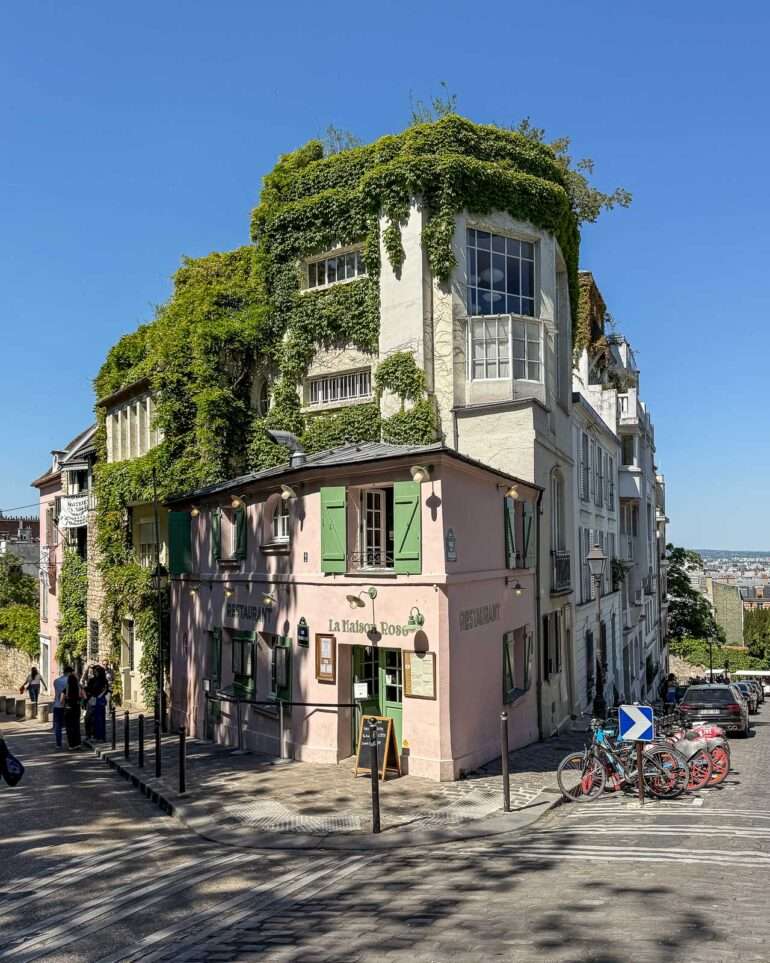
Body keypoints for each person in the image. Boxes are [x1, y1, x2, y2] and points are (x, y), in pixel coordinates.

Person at [85, 665, 109, 741]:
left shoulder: (103, 680)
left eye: (96, 671)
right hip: (92, 700)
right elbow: (88, 689)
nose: (95, 673)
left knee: (98, 719)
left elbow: (106, 690)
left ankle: (99, 736)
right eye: (94, 671)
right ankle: (91, 735)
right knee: (89, 718)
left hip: (98, 701)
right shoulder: (92, 680)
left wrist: (98, 696)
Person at [52, 665, 71, 749]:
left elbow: (57, 692)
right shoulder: (70, 681)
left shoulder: (56, 681)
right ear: (69, 672)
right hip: (67, 705)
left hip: (57, 705)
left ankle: (58, 743)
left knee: (58, 726)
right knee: (69, 725)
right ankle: (70, 742)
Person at [63, 669, 83, 750]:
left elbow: (62, 699)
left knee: (69, 727)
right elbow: (83, 696)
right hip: (77, 707)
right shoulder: (79, 687)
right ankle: (78, 743)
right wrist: (79, 702)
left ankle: (72, 745)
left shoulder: (66, 688)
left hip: (69, 707)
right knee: (76, 725)